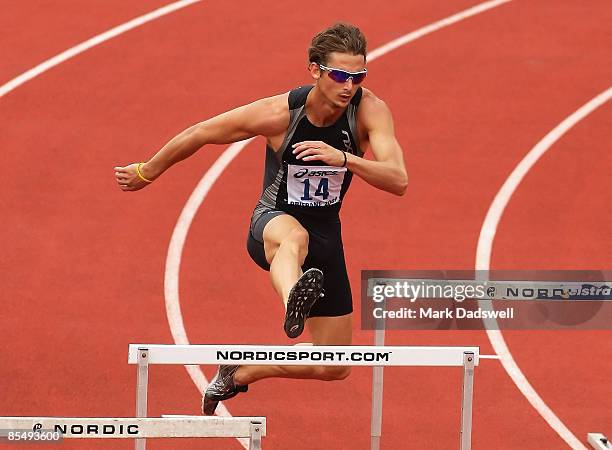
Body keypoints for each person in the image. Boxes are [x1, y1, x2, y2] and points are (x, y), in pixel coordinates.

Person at [114, 22, 407, 415]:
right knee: (294, 238)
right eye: (339, 75)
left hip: (326, 235)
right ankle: (294, 299)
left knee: (336, 365)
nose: (348, 86)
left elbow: (398, 179)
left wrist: (344, 157)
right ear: (315, 70)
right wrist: (147, 171)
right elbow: (202, 132)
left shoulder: (368, 112)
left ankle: (240, 373)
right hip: (273, 222)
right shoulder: (279, 115)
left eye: (358, 77)